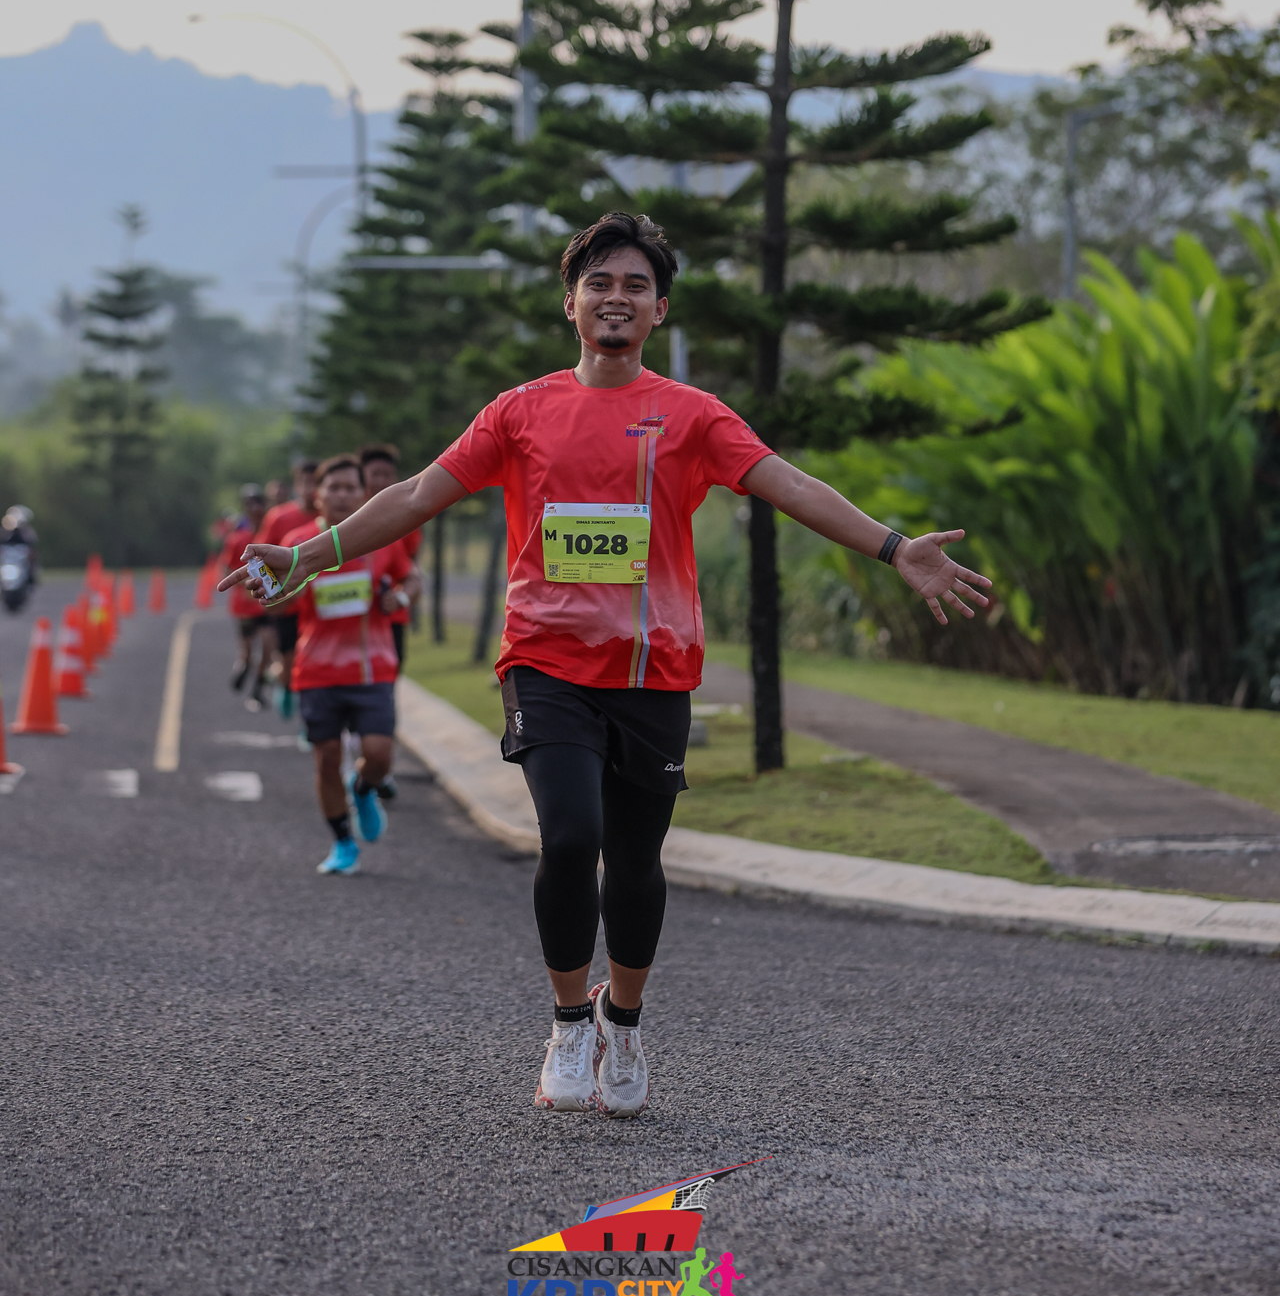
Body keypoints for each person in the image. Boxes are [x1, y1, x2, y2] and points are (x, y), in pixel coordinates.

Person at [225, 211, 991, 1113]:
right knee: (570, 836)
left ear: (660, 309)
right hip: (545, 663)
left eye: (635, 285)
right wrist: (309, 555)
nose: (615, 297)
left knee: (633, 861)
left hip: (654, 670)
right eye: (599, 283)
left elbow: (789, 485)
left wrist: (894, 548)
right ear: (571, 304)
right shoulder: (519, 411)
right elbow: (421, 492)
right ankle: (566, 1024)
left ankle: (620, 1022)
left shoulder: (694, 415)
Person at [259, 453, 413, 875]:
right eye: (334, 487)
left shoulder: (382, 536)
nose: (343, 495)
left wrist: (399, 597)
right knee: (326, 757)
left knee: (379, 756)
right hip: (317, 669)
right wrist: (272, 591)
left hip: (371, 667)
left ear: (365, 494)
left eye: (351, 488)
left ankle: (363, 786)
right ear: (317, 495)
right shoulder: (297, 543)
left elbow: (412, 577)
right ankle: (343, 842)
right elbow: (277, 605)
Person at [359, 442, 423, 802]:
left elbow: (410, 569)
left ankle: (379, 767)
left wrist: (398, 597)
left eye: (388, 474)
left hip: (389, 621)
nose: (382, 481)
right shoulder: (344, 520)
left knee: (384, 693)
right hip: (341, 631)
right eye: (375, 474)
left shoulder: (406, 515)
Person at [258, 460, 319, 720]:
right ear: (296, 485)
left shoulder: (336, 520)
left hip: (322, 606)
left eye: (315, 482)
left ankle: (310, 716)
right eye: (305, 482)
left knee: (315, 662)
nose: (310, 488)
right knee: (290, 661)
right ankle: (284, 685)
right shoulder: (279, 518)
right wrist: (273, 593)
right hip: (290, 605)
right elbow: (260, 558)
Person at [221, 485, 271, 704]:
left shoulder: (271, 534)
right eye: (250, 504)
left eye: (258, 503)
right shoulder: (237, 539)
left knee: (268, 646)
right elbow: (226, 570)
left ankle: (258, 688)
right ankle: (244, 667)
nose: (255, 508)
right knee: (248, 652)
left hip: (268, 604)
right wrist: (246, 584)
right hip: (244, 605)